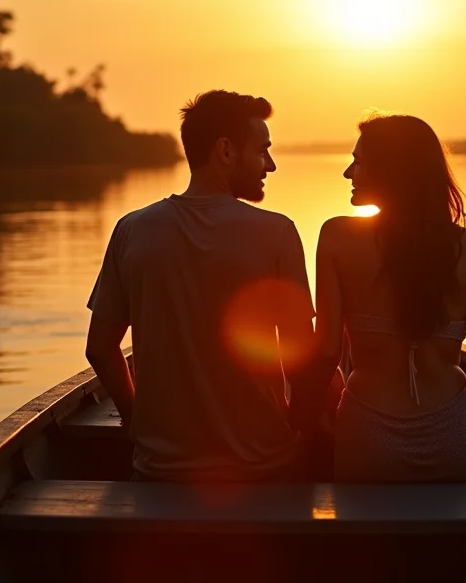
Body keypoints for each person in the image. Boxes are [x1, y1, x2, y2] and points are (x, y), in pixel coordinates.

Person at [85, 90, 319, 482]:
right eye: (262, 151)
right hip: (263, 466)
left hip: (159, 469)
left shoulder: (132, 229)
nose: (271, 165)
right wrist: (309, 428)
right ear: (225, 151)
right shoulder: (277, 232)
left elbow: (100, 348)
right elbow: (304, 362)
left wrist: (136, 422)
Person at [315, 113, 466, 482]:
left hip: (367, 427)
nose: (348, 173)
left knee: (367, 538)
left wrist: (321, 417)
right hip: (454, 429)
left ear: (390, 171)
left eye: (358, 162)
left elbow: (326, 354)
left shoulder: (337, 238)